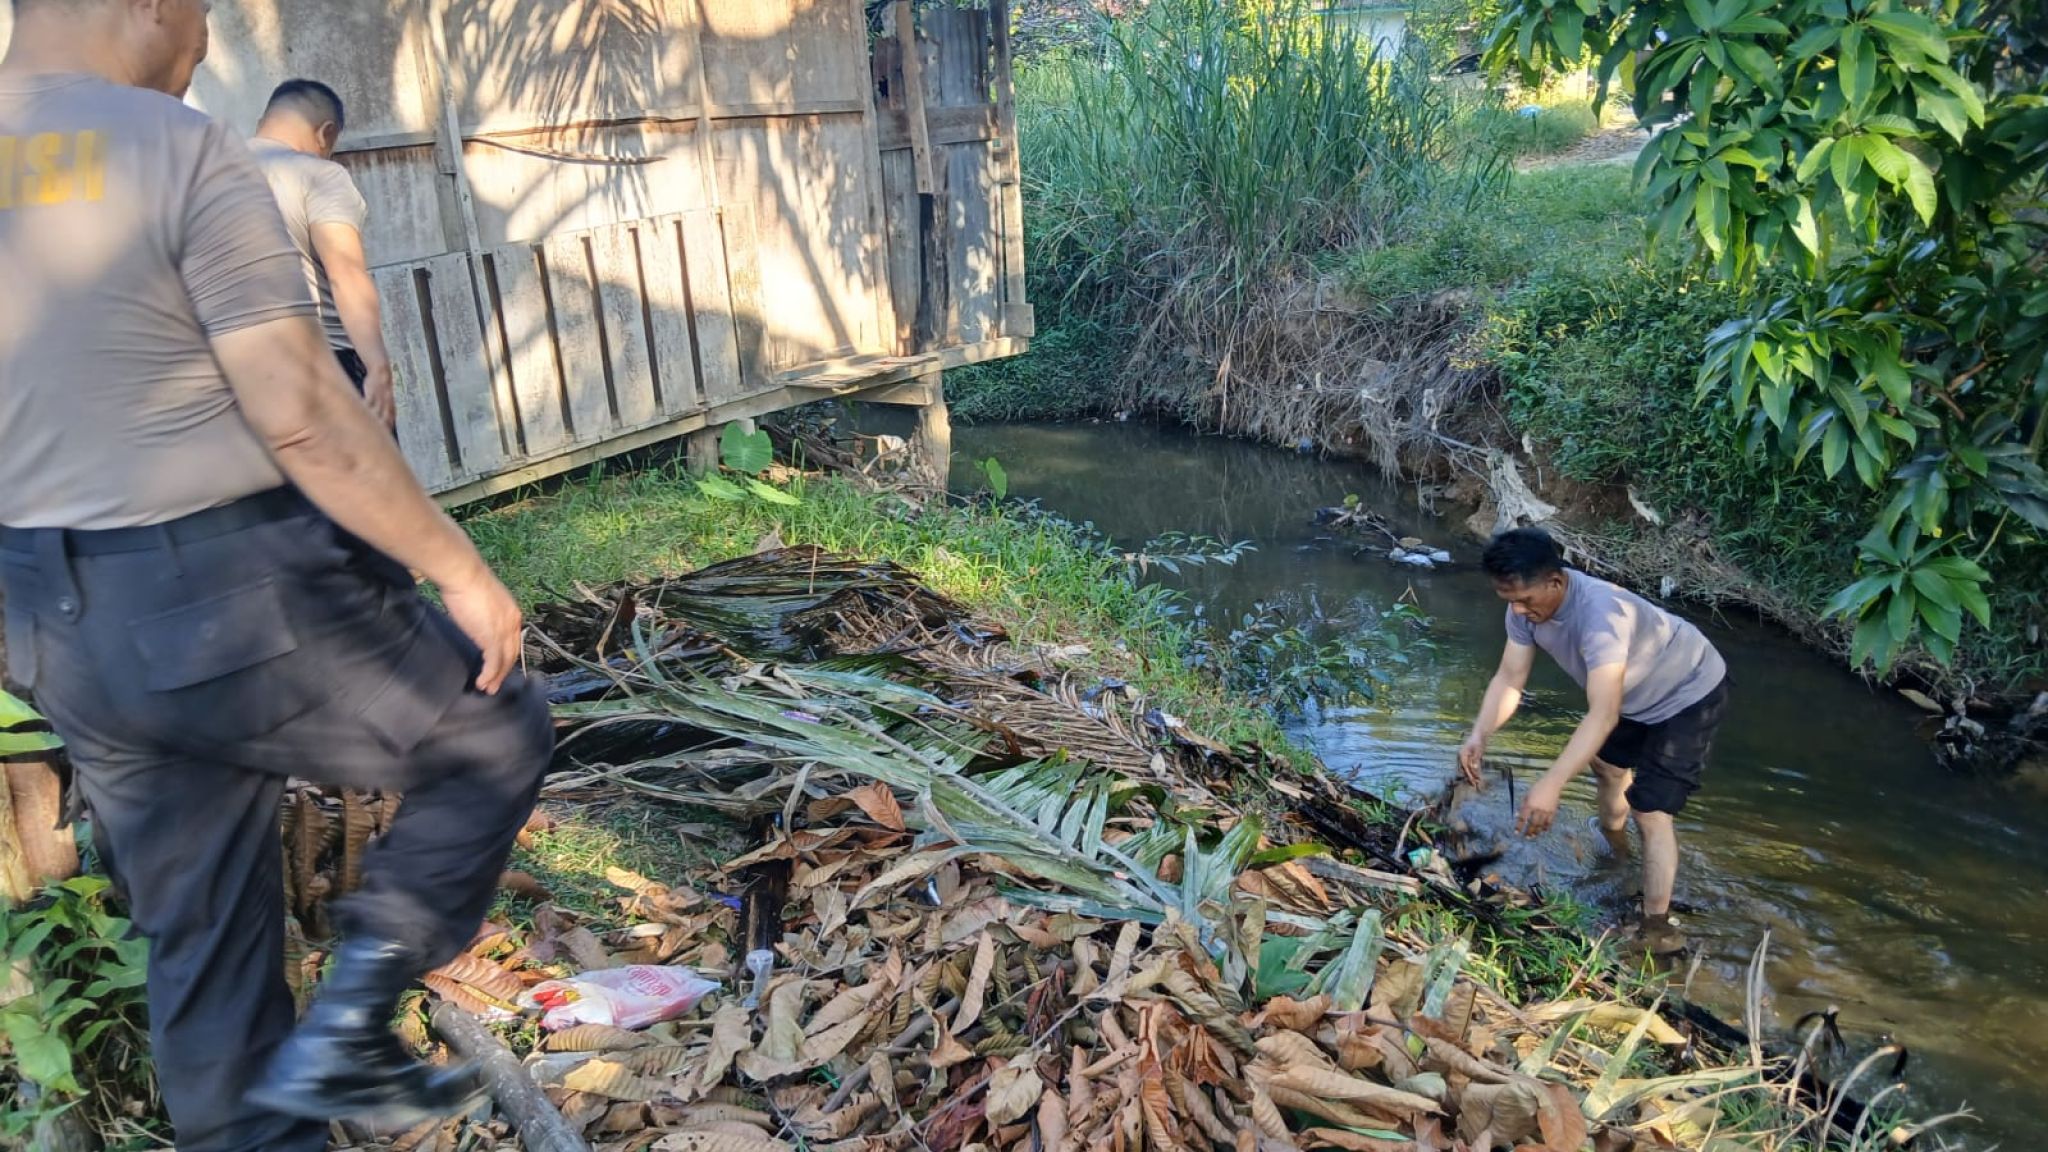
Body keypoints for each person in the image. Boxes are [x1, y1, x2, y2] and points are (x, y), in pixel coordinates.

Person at [0, 2, 551, 1149]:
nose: (196, 55)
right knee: (490, 731)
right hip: (225, 595)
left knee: (206, 951)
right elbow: (300, 409)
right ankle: (355, 1020)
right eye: (198, 28)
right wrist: (456, 565)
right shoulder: (171, 142)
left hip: (53, 621)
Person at [1458, 528, 1729, 957]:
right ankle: (1616, 852)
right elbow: (1510, 678)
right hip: (1634, 695)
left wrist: (1551, 784)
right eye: (1509, 601)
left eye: (1526, 600)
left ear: (1556, 581)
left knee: (1651, 809)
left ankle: (1655, 927)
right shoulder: (1523, 612)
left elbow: (1603, 714)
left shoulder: (1599, 617)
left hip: (1688, 692)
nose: (1520, 611)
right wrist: (1479, 733)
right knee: (1605, 766)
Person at [248, 78, 396, 427]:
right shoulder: (319, 175)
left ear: (262, 123)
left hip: (237, 374)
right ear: (325, 133)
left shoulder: (205, 174)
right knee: (366, 481)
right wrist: (376, 366)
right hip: (323, 365)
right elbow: (345, 273)